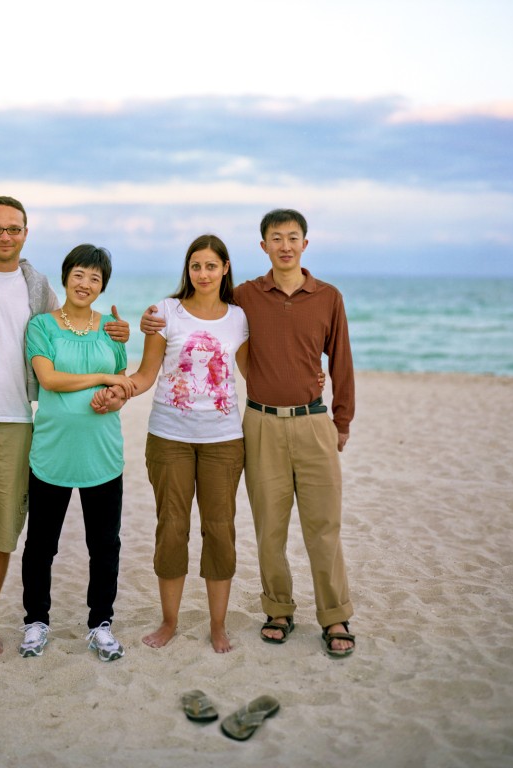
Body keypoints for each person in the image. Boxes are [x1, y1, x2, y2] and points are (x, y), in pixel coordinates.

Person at [0, 196, 129, 664]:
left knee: (2, 532)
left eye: (13, 228)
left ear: (26, 233)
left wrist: (122, 337)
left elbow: (79, 329)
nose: (4, 236)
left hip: (19, 424)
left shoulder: (38, 287)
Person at [142, 209, 356, 658]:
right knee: (268, 527)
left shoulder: (328, 297)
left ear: (304, 244)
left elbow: (340, 362)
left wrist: (341, 418)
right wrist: (143, 326)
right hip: (256, 422)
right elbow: (205, 325)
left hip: (312, 421)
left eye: (292, 237)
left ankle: (335, 616)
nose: (284, 245)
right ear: (263, 247)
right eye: (275, 238)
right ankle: (278, 610)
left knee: (323, 527)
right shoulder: (244, 298)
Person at [95, 234, 249, 653]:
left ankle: (218, 625)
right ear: (188, 269)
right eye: (196, 266)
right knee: (172, 529)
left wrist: (310, 379)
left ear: (225, 268)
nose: (203, 273)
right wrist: (121, 390)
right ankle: (169, 621)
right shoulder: (165, 313)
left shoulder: (238, 317)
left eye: (211, 266)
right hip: (169, 439)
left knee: (220, 531)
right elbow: (146, 374)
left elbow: (259, 372)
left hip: (223, 441)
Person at [18, 244, 134, 662]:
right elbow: (48, 379)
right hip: (51, 453)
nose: (86, 284)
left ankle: (100, 624)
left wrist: (112, 396)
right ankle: (36, 621)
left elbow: (122, 387)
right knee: (40, 545)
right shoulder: (42, 327)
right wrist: (102, 375)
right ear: (66, 276)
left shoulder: (113, 330)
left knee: (104, 546)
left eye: (95, 278)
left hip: (102, 454)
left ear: (103, 286)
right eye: (80, 274)